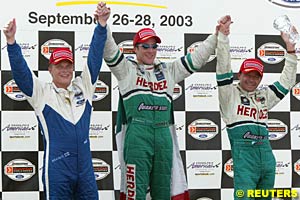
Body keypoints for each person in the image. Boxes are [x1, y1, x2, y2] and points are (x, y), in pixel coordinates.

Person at [94, 2, 226, 200]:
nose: (150, 50)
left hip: (164, 134)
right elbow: (110, 51)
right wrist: (103, 25)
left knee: (163, 191)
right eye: (145, 46)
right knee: (134, 192)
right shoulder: (126, 70)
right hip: (138, 134)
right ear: (135, 48)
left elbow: (196, 59)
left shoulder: (168, 70)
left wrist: (215, 37)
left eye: (154, 45)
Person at [3, 11, 107, 200]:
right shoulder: (42, 93)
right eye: (59, 66)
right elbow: (22, 74)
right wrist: (12, 44)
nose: (65, 70)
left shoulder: (84, 86)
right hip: (58, 170)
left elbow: (95, 57)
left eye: (68, 66)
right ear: (50, 69)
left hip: (86, 171)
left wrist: (100, 26)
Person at [216, 16, 298, 200]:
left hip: (267, 162)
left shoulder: (263, 97)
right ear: (240, 74)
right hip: (245, 164)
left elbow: (287, 81)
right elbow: (222, 66)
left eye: (256, 76)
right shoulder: (229, 95)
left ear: (260, 79)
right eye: (248, 75)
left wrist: (291, 49)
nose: (251, 80)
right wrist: (223, 37)